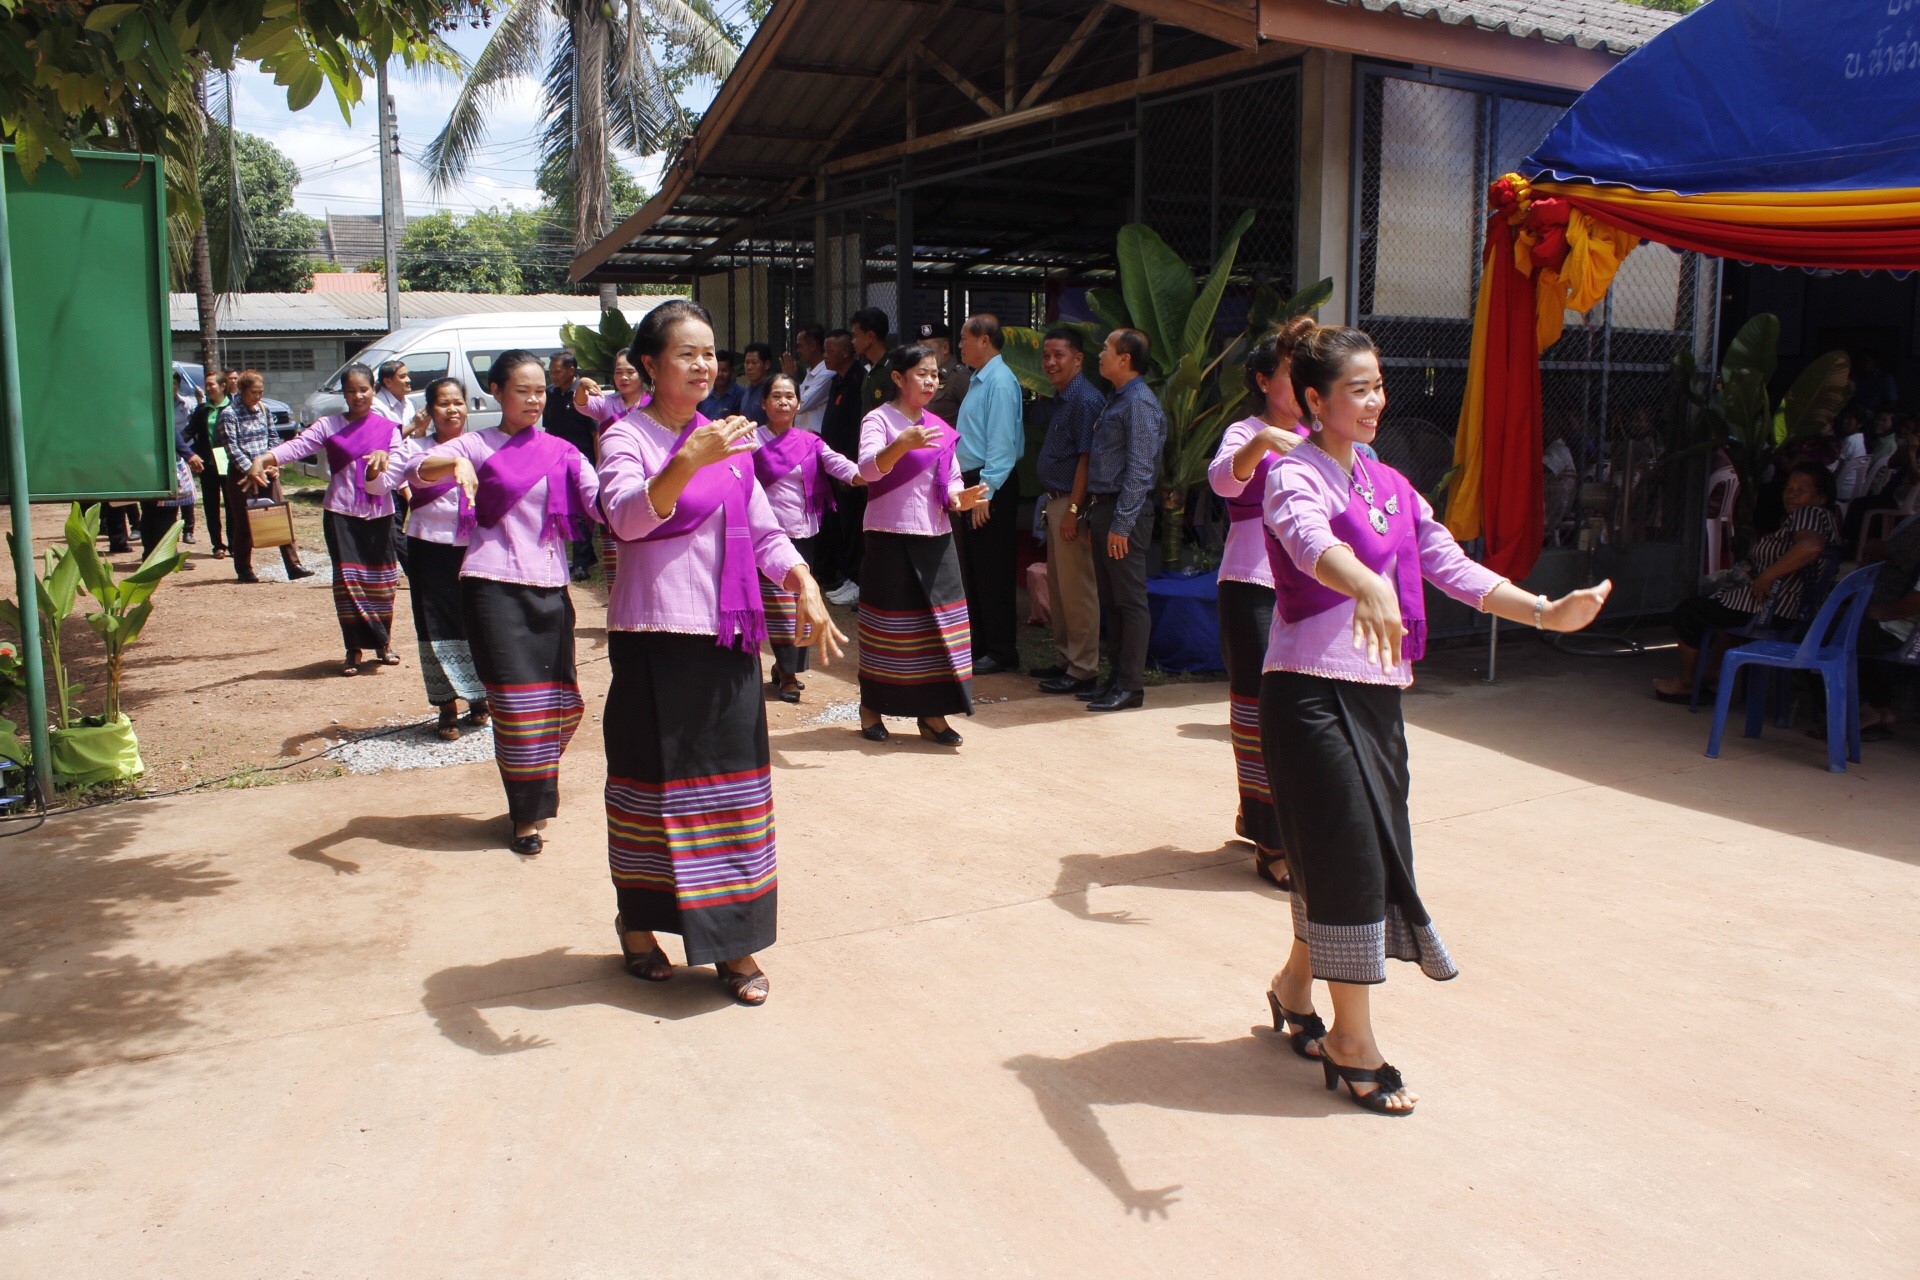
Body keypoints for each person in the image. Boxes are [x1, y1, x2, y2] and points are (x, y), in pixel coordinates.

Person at [1258, 324, 1610, 1114]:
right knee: (1352, 855)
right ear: (1315, 401)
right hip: (1309, 693)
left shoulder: (1389, 485)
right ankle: (1353, 1041)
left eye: (1379, 385)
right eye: (1359, 388)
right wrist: (1366, 584)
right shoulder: (1291, 475)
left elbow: (1448, 562)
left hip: (1376, 696)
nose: (1376, 400)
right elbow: (1310, 543)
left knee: (1354, 851)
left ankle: (1292, 985)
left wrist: (1544, 611)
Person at [596, 298, 842, 1007]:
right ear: (650, 365)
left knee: (732, 794)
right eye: (686, 353)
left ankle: (733, 943)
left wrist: (802, 579)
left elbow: (763, 532)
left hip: (729, 637)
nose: (703, 365)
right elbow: (625, 518)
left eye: (710, 353)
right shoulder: (628, 438)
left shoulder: (727, 439)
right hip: (655, 640)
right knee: (651, 789)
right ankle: (639, 927)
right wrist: (683, 461)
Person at [409, 350, 600, 855]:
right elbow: (415, 471)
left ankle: (532, 792)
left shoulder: (564, 451)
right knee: (516, 709)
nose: (535, 399)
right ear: (496, 391)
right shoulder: (474, 445)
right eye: (523, 390)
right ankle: (525, 816)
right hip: (492, 587)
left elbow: (602, 502)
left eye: (541, 390)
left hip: (551, 589)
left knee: (558, 705)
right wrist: (451, 462)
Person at [1208, 317, 1315, 888]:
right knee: (1259, 710)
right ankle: (1271, 840)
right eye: (1290, 377)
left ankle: (1273, 819)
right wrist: (1261, 444)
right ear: (1262, 380)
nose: (1301, 389)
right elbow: (1225, 481)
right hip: (1252, 584)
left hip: (1315, 588)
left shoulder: (1326, 433)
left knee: (1303, 711)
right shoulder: (1245, 430)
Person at [856, 341, 989, 746]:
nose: (931, 381)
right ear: (898, 378)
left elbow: (949, 477)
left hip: (937, 535)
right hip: (888, 534)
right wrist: (902, 444)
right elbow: (865, 470)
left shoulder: (939, 426)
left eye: (935, 374)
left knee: (940, 626)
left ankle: (932, 714)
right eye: (922, 374)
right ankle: (871, 707)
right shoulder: (878, 420)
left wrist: (957, 498)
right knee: (887, 625)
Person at [250, 363, 405, 675]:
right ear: (343, 394)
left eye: (364, 389)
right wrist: (265, 457)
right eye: (351, 391)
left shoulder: (389, 429)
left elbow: (401, 466)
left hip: (381, 513)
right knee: (348, 582)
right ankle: (354, 649)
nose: (358, 395)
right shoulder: (328, 425)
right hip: (341, 513)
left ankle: (382, 643)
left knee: (383, 581)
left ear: (374, 390)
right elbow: (298, 445)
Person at [1651, 463, 1839, 702]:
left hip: (1772, 607)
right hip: (1781, 605)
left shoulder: (1810, 514)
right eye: (1788, 489)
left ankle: (1688, 683)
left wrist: (1767, 575)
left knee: (1687, 612)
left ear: (1821, 498)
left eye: (1801, 490)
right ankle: (1715, 671)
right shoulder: (1819, 518)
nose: (1791, 494)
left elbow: (1811, 547)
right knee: (1720, 606)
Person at [386, 377, 489, 740]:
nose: (452, 409)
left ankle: (479, 698)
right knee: (434, 625)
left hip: (474, 548)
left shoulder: (484, 446)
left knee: (475, 620)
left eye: (458, 402)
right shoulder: (418, 450)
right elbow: (396, 478)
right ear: (431, 411)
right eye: (443, 403)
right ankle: (446, 704)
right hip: (429, 547)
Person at [752, 371, 862, 702]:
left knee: (801, 605)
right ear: (764, 403)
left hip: (805, 534)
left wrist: (867, 475)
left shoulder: (809, 441)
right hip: (768, 540)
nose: (783, 401)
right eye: (776, 396)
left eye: (789, 396)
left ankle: (786, 669)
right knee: (781, 609)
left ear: (798, 403)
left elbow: (838, 465)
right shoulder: (750, 442)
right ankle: (787, 675)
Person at [1081, 329, 1165, 712]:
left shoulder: (1140, 404)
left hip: (1123, 510)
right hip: (1105, 507)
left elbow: (1140, 470)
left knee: (1129, 600)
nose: (1100, 354)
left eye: (1105, 349)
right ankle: (1115, 678)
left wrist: (1122, 523)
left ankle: (1131, 685)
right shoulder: (1117, 399)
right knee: (1112, 600)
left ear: (1125, 359)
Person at [1033, 328, 1106, 693]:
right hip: (1056, 501)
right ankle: (1065, 661)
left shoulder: (1085, 399)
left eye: (1059, 355)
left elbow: (1087, 459)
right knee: (1060, 588)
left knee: (1077, 589)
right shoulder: (1064, 397)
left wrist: (1074, 510)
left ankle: (1083, 669)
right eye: (1046, 355)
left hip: (1071, 503)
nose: (1050, 362)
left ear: (1078, 358)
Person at [952, 313, 1025, 675]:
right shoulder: (981, 380)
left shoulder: (999, 381)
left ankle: (1000, 650)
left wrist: (986, 491)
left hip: (990, 480)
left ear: (984, 340)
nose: (960, 344)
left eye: (965, 338)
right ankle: (981, 644)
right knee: (977, 567)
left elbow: (1002, 444)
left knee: (993, 567)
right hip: (977, 480)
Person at [219, 370, 313, 584]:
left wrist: (272, 463)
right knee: (244, 522)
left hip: (267, 473)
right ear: (242, 390)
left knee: (280, 515)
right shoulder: (229, 414)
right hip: (242, 475)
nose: (258, 396)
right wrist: (251, 470)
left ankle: (294, 565)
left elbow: (274, 437)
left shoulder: (264, 410)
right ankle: (244, 569)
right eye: (254, 392)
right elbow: (231, 448)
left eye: (261, 392)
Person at [546, 352, 603, 581]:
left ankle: (581, 564)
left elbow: (595, 433)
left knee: (581, 513)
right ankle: (584, 556)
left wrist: (599, 464)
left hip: (584, 461)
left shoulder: (583, 395)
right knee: (565, 509)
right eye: (551, 372)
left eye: (557, 371)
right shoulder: (550, 395)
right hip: (558, 460)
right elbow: (549, 430)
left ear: (571, 370)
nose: (553, 376)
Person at [820, 328, 867, 604]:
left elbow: (855, 427)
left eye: (830, 350)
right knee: (838, 524)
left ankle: (856, 578)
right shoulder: (836, 380)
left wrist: (847, 466)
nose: (825, 355)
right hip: (831, 465)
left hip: (848, 469)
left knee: (852, 525)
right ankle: (846, 574)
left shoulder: (858, 380)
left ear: (846, 352)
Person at [188, 371, 231, 559]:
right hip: (208, 463)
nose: (208, 388)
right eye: (206, 385)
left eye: (211, 384)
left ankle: (235, 544)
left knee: (231, 504)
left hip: (228, 461)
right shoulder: (202, 410)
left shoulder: (232, 407)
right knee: (210, 505)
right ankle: (217, 545)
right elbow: (189, 432)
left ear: (223, 386)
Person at [922, 321, 971, 427]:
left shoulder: (960, 377)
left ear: (945, 348)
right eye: (919, 349)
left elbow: (972, 420)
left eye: (927, 349)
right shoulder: (921, 376)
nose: (921, 355)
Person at [171, 372, 200, 544]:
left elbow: (193, 426)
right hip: (169, 453)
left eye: (175, 383)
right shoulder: (161, 405)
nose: (172, 387)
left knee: (187, 495)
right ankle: (173, 531)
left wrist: (185, 447)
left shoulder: (187, 404)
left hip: (184, 452)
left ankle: (188, 530)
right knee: (172, 498)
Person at [852, 308, 895, 415]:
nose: (853, 341)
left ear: (870, 336)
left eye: (855, 335)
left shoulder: (893, 368)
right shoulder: (866, 367)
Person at [792, 323, 832, 434]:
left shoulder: (827, 373)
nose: (798, 351)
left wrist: (790, 379)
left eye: (800, 346)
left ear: (813, 346)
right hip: (802, 438)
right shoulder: (810, 372)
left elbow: (801, 405)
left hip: (815, 440)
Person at [697, 348, 744, 419]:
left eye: (724, 370)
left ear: (732, 372)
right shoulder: (704, 393)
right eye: (717, 370)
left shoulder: (740, 395)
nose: (720, 374)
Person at [737, 342, 776, 425]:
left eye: (754, 363)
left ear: (766, 364)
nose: (749, 367)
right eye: (747, 363)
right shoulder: (748, 390)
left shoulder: (771, 390)